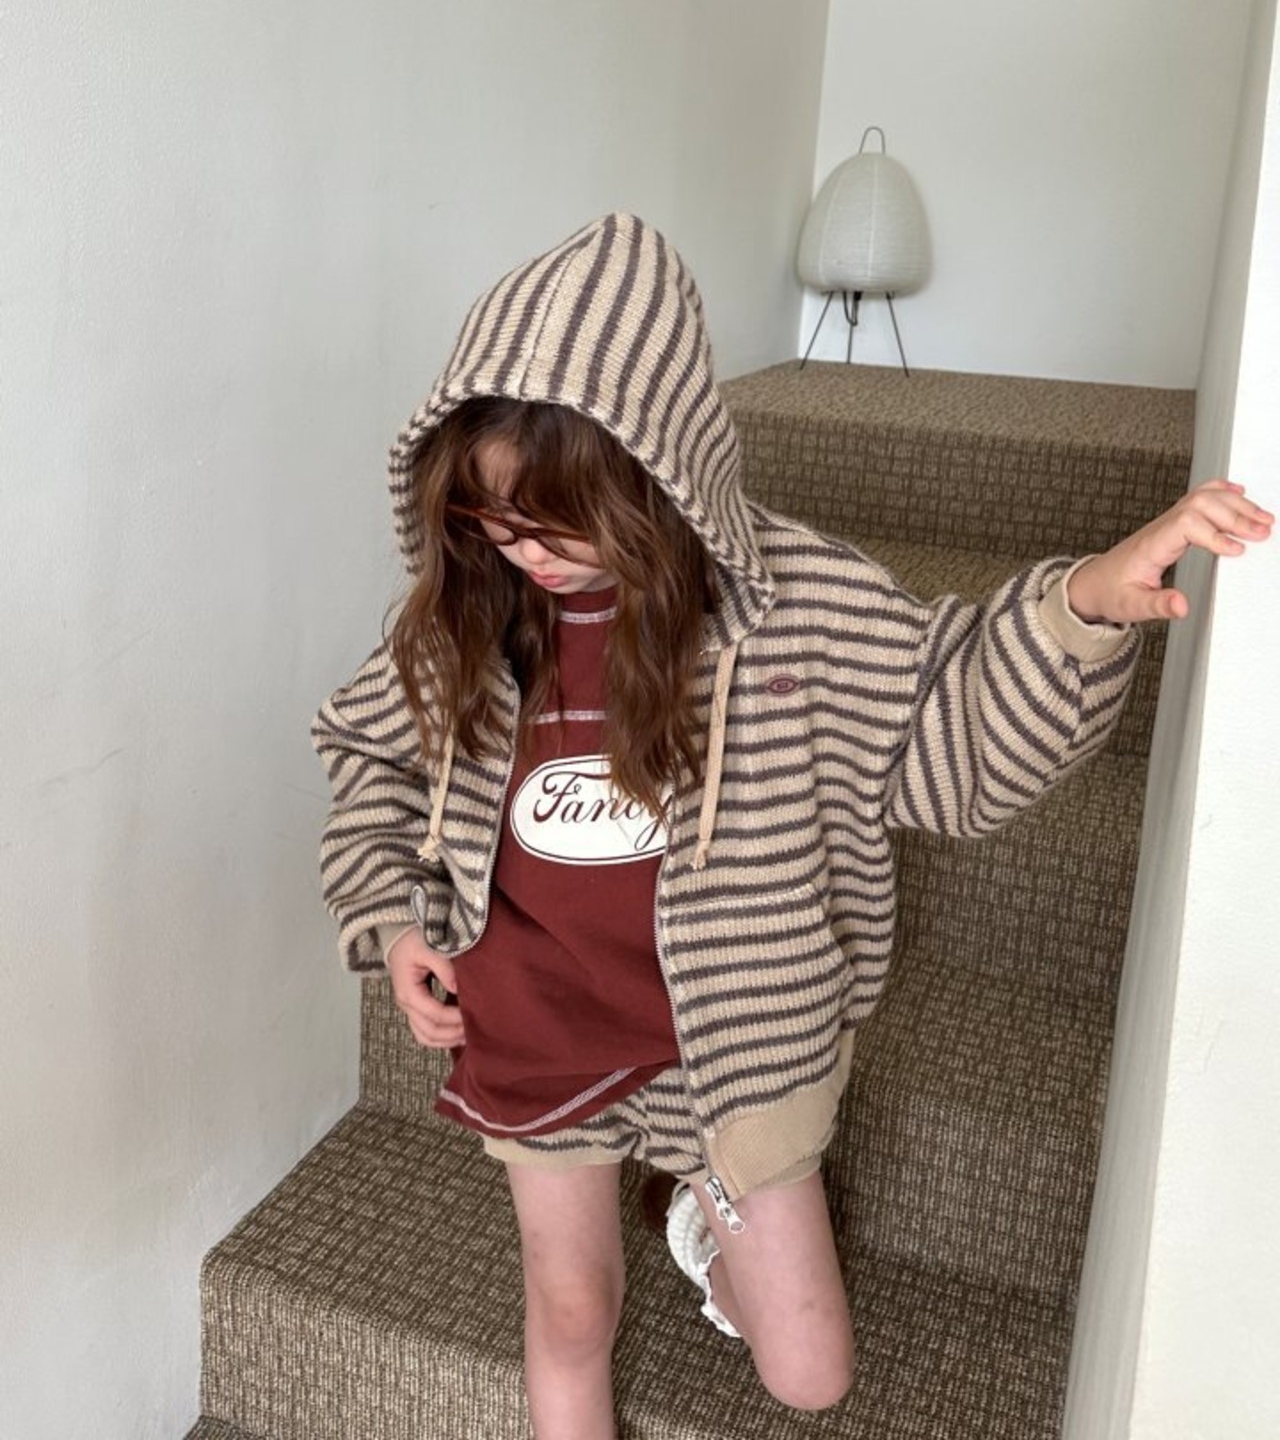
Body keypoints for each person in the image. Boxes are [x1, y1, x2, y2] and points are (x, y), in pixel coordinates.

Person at [312, 211, 1272, 1439]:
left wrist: (1081, 603)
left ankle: (697, 1205)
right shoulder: (463, 625)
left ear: (654, 475)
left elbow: (948, 736)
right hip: (533, 1027)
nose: (524, 552)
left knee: (809, 1375)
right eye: (491, 520)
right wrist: (392, 924)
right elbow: (369, 764)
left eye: (557, 520)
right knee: (569, 1311)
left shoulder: (797, 608)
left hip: (739, 1045)